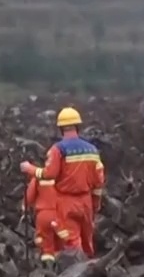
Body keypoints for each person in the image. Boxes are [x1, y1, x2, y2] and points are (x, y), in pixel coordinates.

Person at [20, 107, 104, 258]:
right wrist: (95, 204)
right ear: (78, 126)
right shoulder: (92, 150)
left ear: (60, 128)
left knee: (71, 241)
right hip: (86, 202)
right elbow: (99, 182)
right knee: (87, 240)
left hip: (66, 202)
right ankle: (90, 267)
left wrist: (30, 169)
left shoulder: (58, 149)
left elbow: (49, 174)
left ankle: (77, 272)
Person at [23, 169, 67, 265]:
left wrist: (24, 208)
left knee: (46, 245)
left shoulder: (38, 178)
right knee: (61, 241)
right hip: (58, 215)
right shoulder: (63, 176)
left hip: (43, 215)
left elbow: (29, 196)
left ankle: (48, 268)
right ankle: (62, 265)